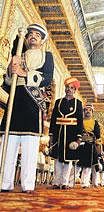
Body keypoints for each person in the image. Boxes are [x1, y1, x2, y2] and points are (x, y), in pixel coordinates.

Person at [0, 23, 54, 193]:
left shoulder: (47, 56)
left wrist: (24, 73)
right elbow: (7, 83)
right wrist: (11, 69)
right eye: (30, 34)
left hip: (32, 104)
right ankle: (4, 183)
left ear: (41, 39)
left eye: (37, 35)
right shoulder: (18, 55)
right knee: (7, 145)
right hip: (15, 102)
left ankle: (27, 185)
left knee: (30, 148)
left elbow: (47, 79)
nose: (33, 36)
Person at [49, 77, 83, 189]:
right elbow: (53, 120)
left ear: (75, 90)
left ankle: (64, 182)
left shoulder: (78, 103)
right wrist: (51, 135)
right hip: (59, 133)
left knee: (68, 159)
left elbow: (79, 122)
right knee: (58, 158)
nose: (69, 89)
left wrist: (78, 139)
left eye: (71, 88)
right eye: (67, 87)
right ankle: (56, 181)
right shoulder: (58, 102)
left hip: (71, 134)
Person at [78, 103, 100, 188]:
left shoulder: (95, 122)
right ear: (84, 111)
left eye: (89, 110)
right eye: (86, 110)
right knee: (77, 164)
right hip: (80, 144)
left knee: (88, 165)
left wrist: (91, 135)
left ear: (92, 112)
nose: (88, 112)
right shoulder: (80, 121)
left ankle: (85, 183)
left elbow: (98, 134)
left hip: (90, 145)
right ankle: (69, 182)